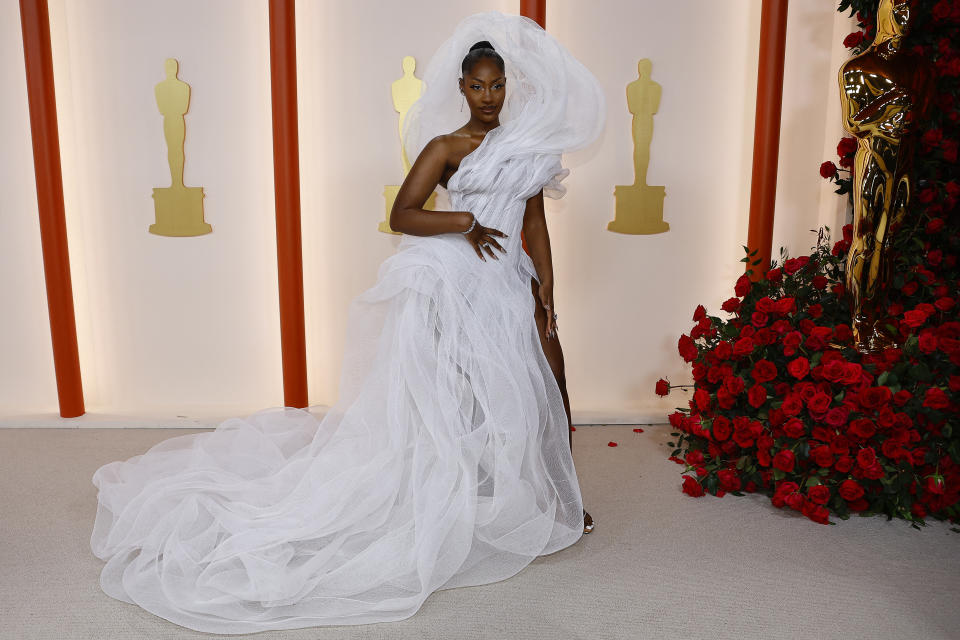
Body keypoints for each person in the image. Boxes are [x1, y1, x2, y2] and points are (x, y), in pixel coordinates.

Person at [90, 12, 605, 634]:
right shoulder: (445, 147)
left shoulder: (527, 147)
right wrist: (463, 223)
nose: (489, 97)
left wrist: (545, 286)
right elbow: (403, 215)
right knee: (457, 397)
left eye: (498, 86)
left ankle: (561, 505)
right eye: (478, 86)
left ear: (509, 88)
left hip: (510, 281)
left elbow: (535, 222)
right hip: (457, 279)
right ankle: (454, 500)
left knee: (549, 385)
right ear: (462, 87)